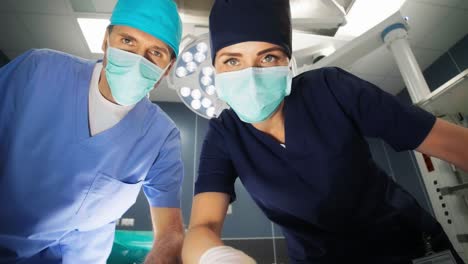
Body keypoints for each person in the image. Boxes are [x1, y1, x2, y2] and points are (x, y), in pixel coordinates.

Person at [182, 0, 468, 263]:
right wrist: (221, 259)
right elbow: (201, 228)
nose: (251, 75)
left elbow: (455, 145)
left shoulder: (330, 89)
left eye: (268, 58)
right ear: (215, 71)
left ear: (288, 63)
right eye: (232, 61)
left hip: (410, 248)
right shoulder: (224, 134)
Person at [0, 0, 185, 263]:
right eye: (128, 41)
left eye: (156, 53)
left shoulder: (162, 137)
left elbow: (171, 232)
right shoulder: (38, 71)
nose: (137, 60)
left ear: (167, 69)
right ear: (105, 41)